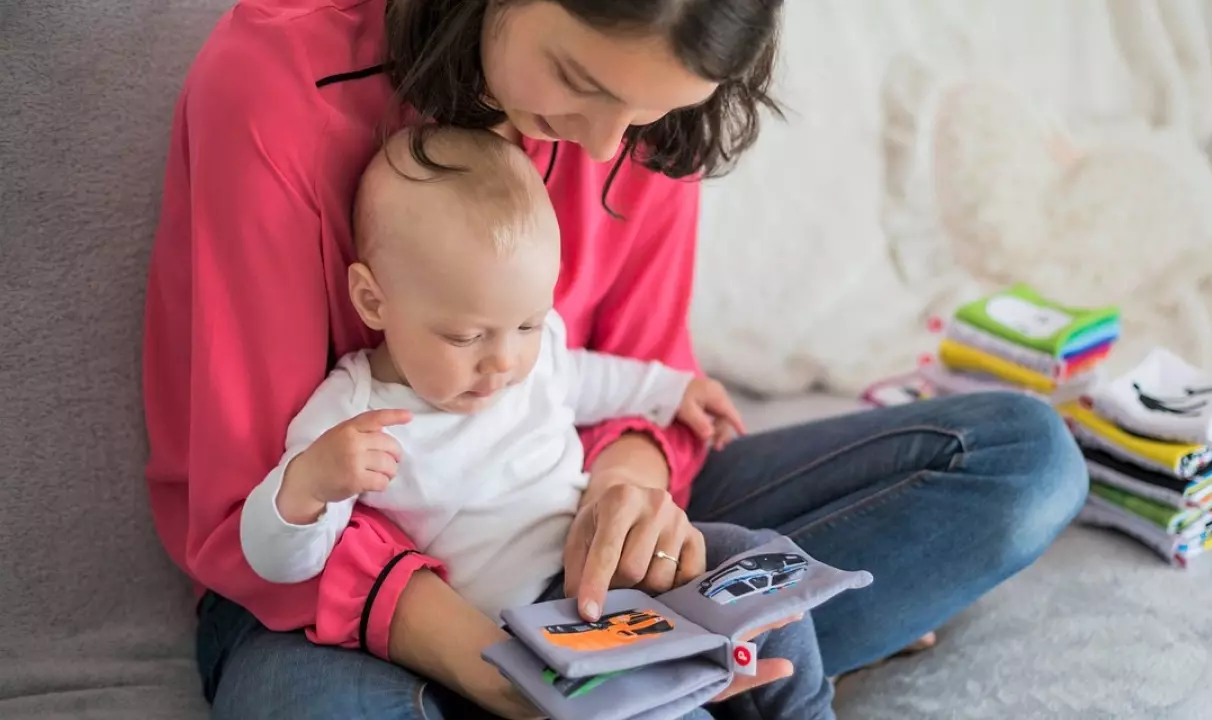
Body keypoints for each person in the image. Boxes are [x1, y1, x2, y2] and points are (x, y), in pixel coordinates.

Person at [142, 0, 1089, 717]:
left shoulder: (639, 121)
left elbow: (639, 377)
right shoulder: (273, 86)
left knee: (1024, 461)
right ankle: (679, 678)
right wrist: (501, 669)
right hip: (329, 591)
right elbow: (254, 507)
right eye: (580, 82)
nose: (606, 145)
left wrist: (627, 495)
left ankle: (676, 669)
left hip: (571, 543)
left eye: (647, 112)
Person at [235, 126, 834, 719]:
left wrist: (672, 390)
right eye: (465, 336)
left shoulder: (529, 352)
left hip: (613, 558)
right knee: (658, 709)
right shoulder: (354, 414)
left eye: (526, 324)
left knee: (763, 565)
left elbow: (585, 377)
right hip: (535, 624)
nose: (503, 361)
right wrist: (308, 487)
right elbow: (280, 562)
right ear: (373, 300)